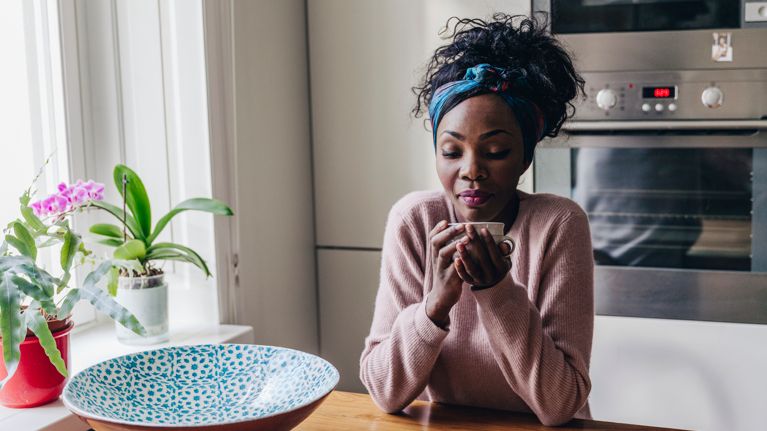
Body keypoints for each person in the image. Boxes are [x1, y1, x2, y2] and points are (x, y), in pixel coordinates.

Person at [359, 14, 594, 427]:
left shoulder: (558, 224)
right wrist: (433, 307)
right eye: (452, 152)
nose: (471, 170)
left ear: (525, 157)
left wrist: (497, 291)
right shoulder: (415, 221)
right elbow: (384, 392)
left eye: (496, 151)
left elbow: (560, 404)